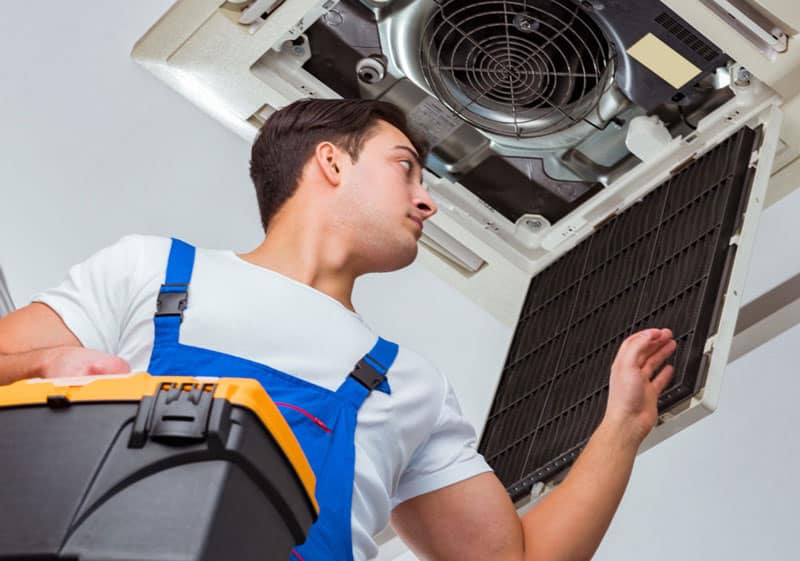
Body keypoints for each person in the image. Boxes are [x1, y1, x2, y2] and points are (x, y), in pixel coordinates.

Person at [0, 98, 675, 561]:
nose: (427, 199)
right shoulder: (152, 271)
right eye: (404, 165)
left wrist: (622, 427)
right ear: (330, 162)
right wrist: (47, 363)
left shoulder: (408, 383)